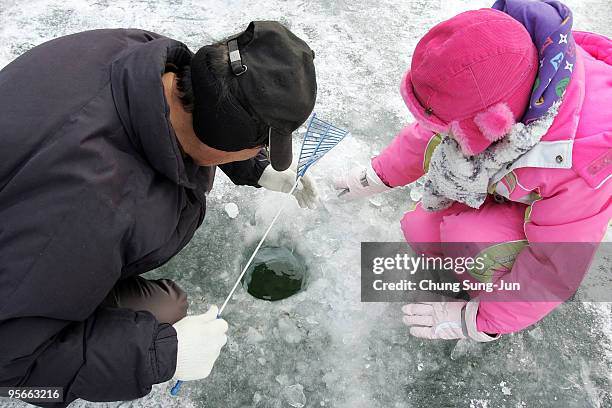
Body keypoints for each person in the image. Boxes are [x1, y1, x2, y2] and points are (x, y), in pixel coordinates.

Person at [0, 21, 318, 406]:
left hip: (29, 199)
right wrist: (162, 355)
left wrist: (254, 168)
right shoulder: (92, 213)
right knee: (167, 310)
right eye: (257, 149)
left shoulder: (140, 53)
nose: (259, 153)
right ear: (224, 142)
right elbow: (13, 369)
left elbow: (206, 115)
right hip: (25, 289)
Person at [335, 0, 611, 341]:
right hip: (517, 180)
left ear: (494, 124)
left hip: (571, 210)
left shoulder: (585, 160)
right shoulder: (493, 73)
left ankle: (494, 297)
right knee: (422, 229)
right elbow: (433, 133)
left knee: (473, 244)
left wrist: (479, 320)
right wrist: (376, 175)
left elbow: (555, 264)